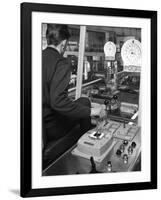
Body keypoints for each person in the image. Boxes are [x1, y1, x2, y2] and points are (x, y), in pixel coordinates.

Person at [42, 24, 102, 145]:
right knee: (84, 102)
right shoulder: (61, 63)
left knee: (82, 102)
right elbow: (58, 101)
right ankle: (88, 144)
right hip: (51, 128)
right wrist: (93, 112)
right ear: (63, 43)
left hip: (40, 123)